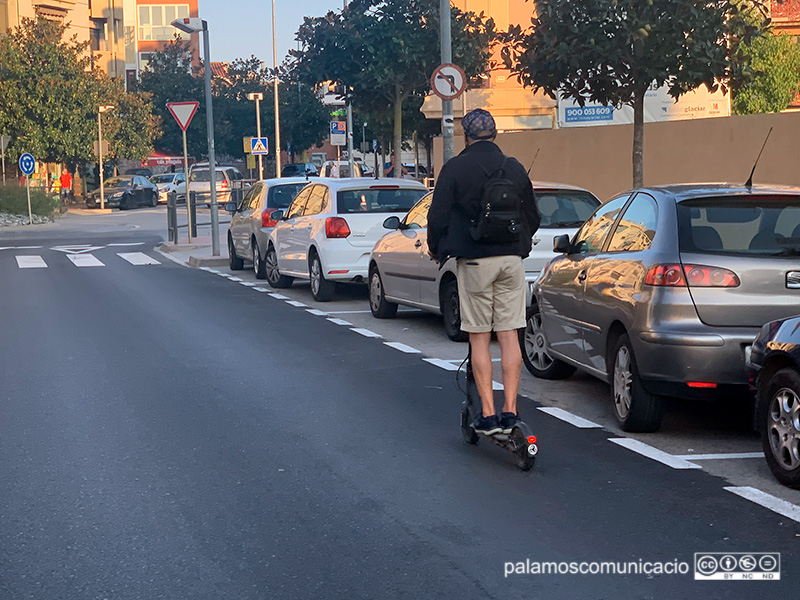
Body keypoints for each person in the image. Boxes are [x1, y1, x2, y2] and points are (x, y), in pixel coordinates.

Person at [427, 108, 540, 435]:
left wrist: (438, 249)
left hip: (475, 261)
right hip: (511, 260)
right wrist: (519, 243)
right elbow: (533, 216)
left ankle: (488, 415)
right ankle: (511, 410)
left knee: (479, 336)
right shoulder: (514, 167)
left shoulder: (455, 168)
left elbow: (438, 217)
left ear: (466, 136)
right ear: (495, 134)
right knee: (508, 334)